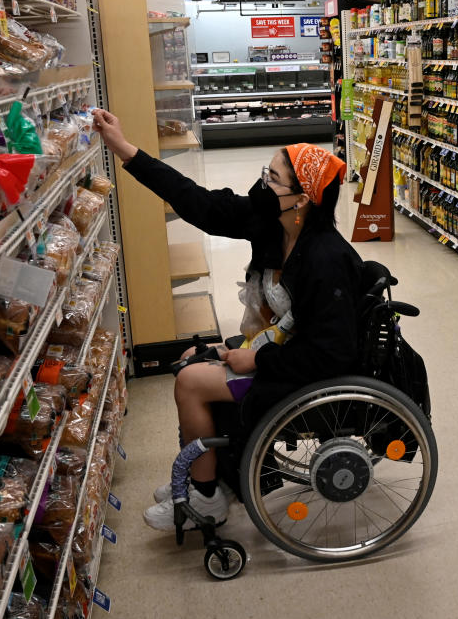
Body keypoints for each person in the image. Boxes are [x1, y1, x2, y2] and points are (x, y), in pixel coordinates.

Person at [91, 109, 364, 532]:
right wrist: (124, 149)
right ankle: (213, 473)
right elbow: (200, 202)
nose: (262, 184)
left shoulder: (326, 259)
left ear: (303, 198)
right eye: (265, 172)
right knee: (191, 359)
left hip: (308, 373)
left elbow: (332, 351)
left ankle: (206, 496)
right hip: (282, 348)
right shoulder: (274, 226)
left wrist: (255, 360)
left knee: (190, 381)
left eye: (273, 179)